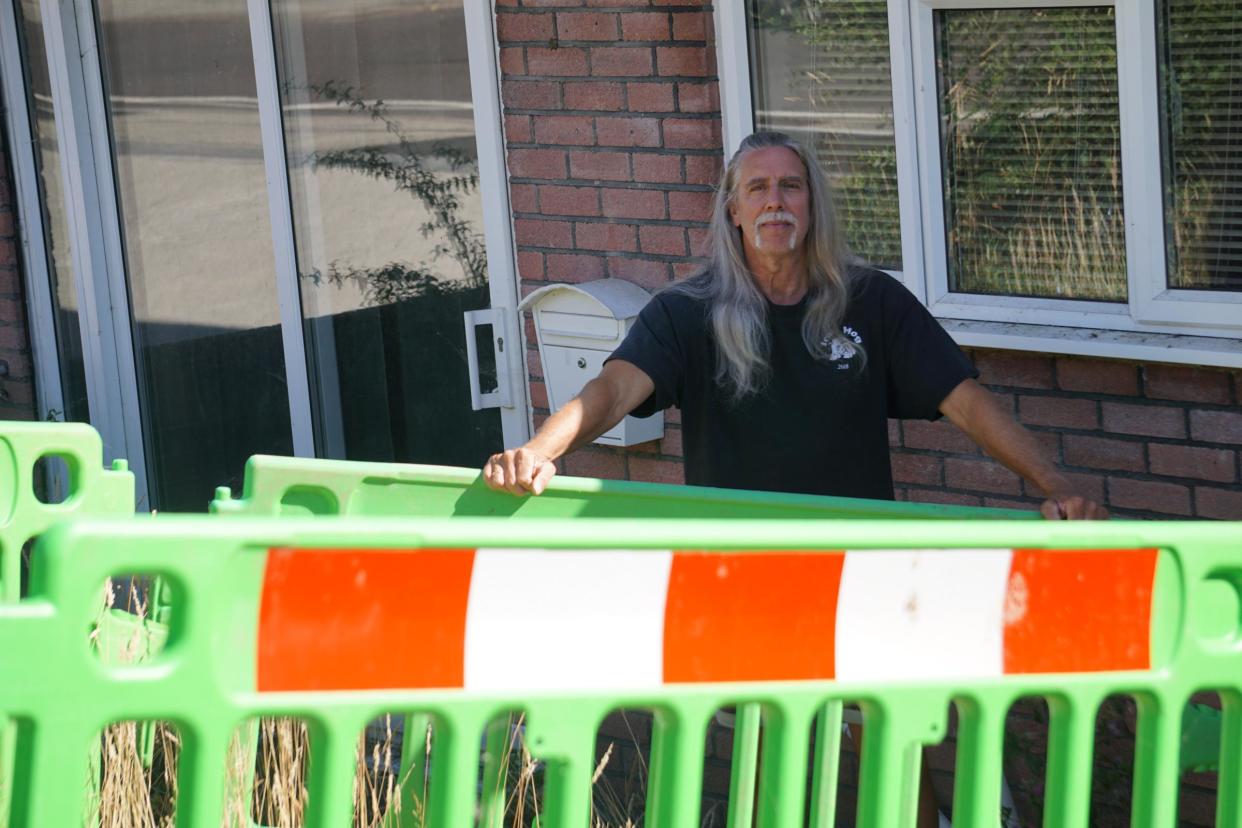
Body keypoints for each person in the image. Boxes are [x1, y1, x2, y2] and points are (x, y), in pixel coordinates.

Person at [484, 130, 1107, 522]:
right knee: (757, 729)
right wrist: (540, 452)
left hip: (855, 564)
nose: (775, 200)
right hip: (735, 567)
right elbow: (612, 390)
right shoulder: (686, 312)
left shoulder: (874, 302)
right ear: (734, 211)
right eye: (757, 188)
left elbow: (967, 404)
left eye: (790, 186)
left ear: (811, 205)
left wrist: (1059, 486)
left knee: (861, 724)